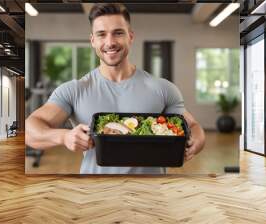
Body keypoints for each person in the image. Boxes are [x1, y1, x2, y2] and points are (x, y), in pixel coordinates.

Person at [25, 3, 205, 174]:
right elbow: (30, 130)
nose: (110, 42)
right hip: (96, 194)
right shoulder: (74, 90)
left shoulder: (163, 88)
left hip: (151, 196)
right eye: (102, 34)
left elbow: (193, 127)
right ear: (93, 40)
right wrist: (63, 137)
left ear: (130, 37)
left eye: (118, 33)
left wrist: (197, 140)